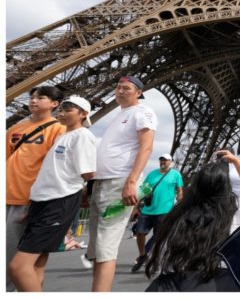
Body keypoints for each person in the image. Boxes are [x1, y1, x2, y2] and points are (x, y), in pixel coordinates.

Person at [9, 96, 96, 292]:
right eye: (62, 108)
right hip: (42, 201)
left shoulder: (82, 136)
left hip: (59, 202)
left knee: (18, 267)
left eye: (69, 109)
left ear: (83, 114)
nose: (62, 112)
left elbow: (89, 173)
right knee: (37, 264)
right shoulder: (62, 136)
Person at [143, 151, 240, 291]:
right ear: (226, 188)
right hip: (219, 284)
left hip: (175, 284)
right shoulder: (236, 213)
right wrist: (235, 161)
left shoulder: (177, 216)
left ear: (195, 187)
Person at [87, 76, 156, 292]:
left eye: (126, 88)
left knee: (105, 248)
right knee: (98, 249)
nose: (120, 91)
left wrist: (132, 181)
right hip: (102, 183)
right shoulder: (120, 116)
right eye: (118, 87)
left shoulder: (142, 112)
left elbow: (146, 148)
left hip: (119, 183)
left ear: (138, 93)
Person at [6, 85, 66, 290]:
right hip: (6, 196)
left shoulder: (59, 129)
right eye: (32, 97)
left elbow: (57, 169)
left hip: (27, 200)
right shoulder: (15, 129)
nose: (33, 100)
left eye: (41, 98)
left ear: (54, 104)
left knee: (11, 260)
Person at [131, 155, 184, 273]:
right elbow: (142, 190)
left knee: (158, 237)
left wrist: (180, 204)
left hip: (165, 210)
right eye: (161, 160)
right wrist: (135, 207)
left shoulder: (176, 175)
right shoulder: (151, 174)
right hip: (147, 209)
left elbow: (180, 191)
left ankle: (155, 259)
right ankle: (142, 255)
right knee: (140, 233)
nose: (162, 162)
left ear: (170, 162)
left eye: (165, 160)